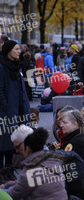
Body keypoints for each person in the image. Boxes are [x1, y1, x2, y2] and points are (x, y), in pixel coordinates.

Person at [1, 128, 68, 200]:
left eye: (17, 147)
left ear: (27, 148)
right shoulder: (52, 160)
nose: (17, 151)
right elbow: (23, 182)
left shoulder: (30, 171)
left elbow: (13, 194)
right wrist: (7, 184)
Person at [0, 40, 31, 168]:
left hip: (19, 108)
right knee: (3, 142)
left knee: (13, 141)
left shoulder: (17, 66)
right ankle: (2, 171)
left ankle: (9, 169)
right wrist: (5, 105)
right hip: (6, 110)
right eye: (16, 49)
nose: (19, 52)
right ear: (8, 51)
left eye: (19, 49)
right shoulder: (1, 67)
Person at [58, 109, 84, 196]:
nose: (61, 125)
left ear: (75, 125)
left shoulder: (76, 142)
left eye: (65, 123)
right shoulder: (75, 138)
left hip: (80, 188)